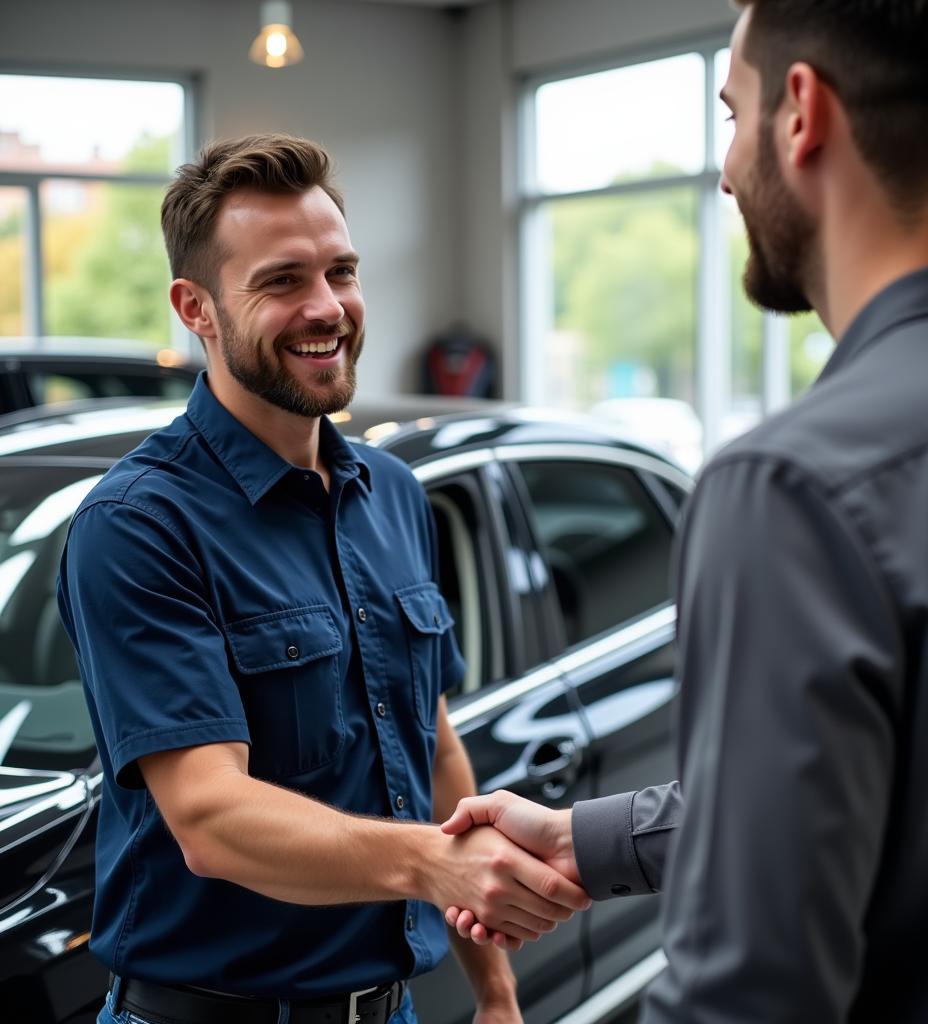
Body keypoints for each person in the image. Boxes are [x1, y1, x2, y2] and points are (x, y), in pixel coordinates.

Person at [440, 1, 928, 1021]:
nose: (721, 170)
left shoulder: (792, 487)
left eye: (729, 112)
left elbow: (750, 994)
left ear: (799, 115)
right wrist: (587, 838)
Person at [56, 134, 590, 1024]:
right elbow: (212, 817)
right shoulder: (139, 526)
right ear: (197, 308)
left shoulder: (392, 494)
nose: (327, 308)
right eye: (280, 281)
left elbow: (435, 748)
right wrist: (431, 861)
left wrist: (496, 995)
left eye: (340, 272)